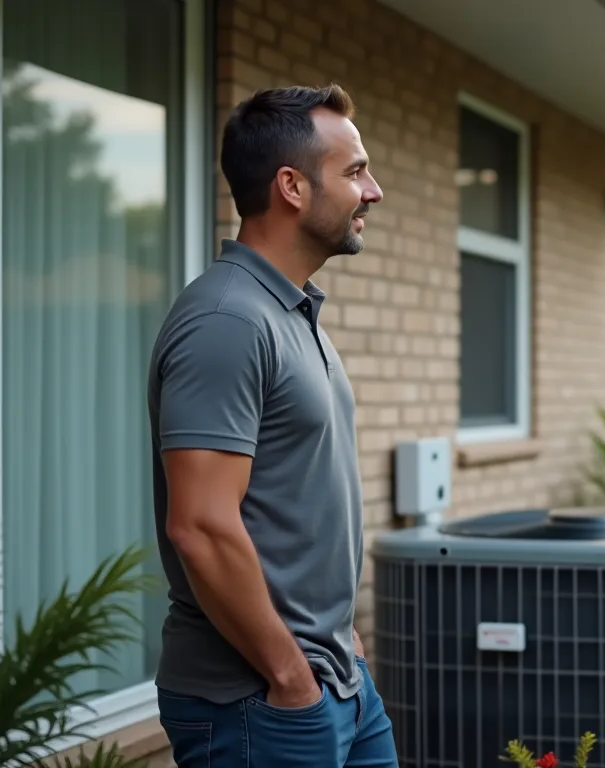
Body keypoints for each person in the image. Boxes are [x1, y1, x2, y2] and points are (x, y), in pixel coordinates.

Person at [145, 84, 395, 767]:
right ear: (291, 186)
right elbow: (200, 525)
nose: (372, 190)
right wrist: (290, 676)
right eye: (353, 171)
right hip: (258, 701)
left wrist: (343, 652)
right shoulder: (227, 321)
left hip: (335, 681)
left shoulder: (290, 313)